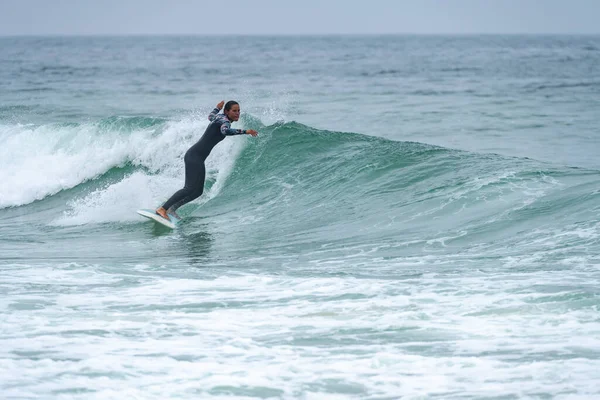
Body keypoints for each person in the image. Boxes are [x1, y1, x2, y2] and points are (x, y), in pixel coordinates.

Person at [155, 100, 258, 221]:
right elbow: (225, 131)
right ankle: (162, 209)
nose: (237, 113)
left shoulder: (219, 117)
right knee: (188, 188)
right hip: (194, 157)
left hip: (197, 158)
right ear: (227, 111)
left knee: (198, 191)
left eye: (238, 111)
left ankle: (172, 209)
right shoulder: (224, 121)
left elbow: (210, 117)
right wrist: (246, 131)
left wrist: (216, 108)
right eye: (234, 111)